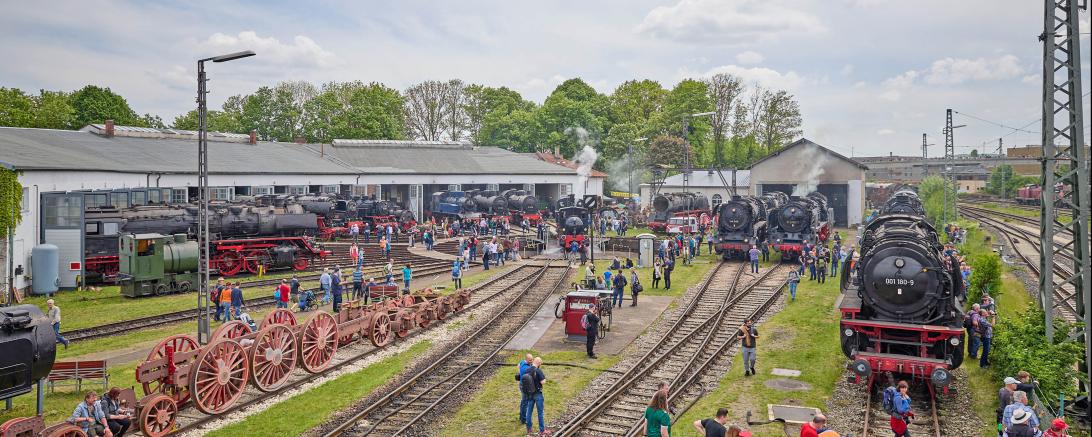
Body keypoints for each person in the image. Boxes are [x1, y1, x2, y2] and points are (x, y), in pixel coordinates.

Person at [520, 357, 547, 436]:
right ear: (539, 363)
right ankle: (542, 430)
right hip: (538, 393)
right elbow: (543, 382)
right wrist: (543, 380)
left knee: (529, 411)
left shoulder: (527, 370)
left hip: (529, 393)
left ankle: (529, 429)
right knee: (540, 412)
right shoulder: (538, 370)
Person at [517, 353, 535, 425]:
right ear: (527, 359)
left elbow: (518, 365)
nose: (532, 361)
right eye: (530, 360)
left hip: (522, 384)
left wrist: (519, 371)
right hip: (525, 386)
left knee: (523, 401)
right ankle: (524, 420)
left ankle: (521, 416)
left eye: (532, 359)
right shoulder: (526, 368)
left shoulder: (522, 362)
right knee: (525, 402)